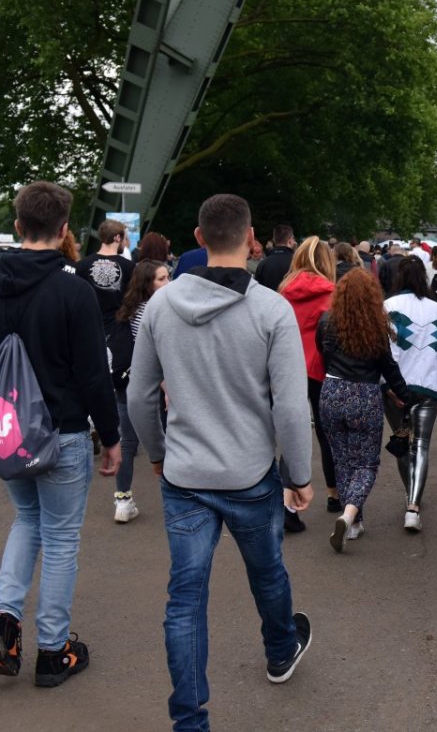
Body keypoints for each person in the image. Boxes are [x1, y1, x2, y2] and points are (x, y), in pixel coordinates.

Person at [127, 193, 313, 730]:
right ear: (251, 238)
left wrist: (159, 456)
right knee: (267, 572)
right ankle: (280, 650)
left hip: (185, 474)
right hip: (250, 473)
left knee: (184, 597)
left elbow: (140, 397)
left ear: (199, 237)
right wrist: (298, 475)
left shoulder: (159, 307)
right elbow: (290, 405)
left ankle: (189, 720)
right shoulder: (271, 310)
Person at [0, 181, 121, 688]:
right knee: (61, 537)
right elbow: (93, 374)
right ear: (64, 230)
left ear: (17, 226)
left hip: (2, 433)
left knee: (26, 520)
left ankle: (4, 623)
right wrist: (111, 436)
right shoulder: (74, 291)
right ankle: (54, 649)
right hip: (62, 432)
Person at [316, 270, 414, 552]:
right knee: (366, 463)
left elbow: (322, 354)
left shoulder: (327, 322)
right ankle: (348, 515)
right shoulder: (375, 326)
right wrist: (404, 396)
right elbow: (389, 368)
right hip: (364, 395)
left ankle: (355, 523)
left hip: (332, 391)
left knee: (343, 460)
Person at [383, 257, 437, 533]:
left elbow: (381, 350)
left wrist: (386, 384)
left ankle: (411, 491)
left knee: (402, 442)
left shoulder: (388, 308)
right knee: (421, 446)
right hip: (429, 389)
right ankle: (413, 507)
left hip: (395, 390)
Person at [279, 237, 339, 524]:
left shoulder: (284, 291)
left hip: (288, 368)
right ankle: (334, 494)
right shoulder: (331, 293)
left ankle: (286, 503)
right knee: (326, 435)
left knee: (293, 433)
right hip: (319, 369)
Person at [108, 260, 170, 523]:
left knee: (128, 442)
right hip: (155, 385)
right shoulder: (157, 311)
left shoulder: (128, 311)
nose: (168, 283)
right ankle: (173, 499)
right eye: (162, 279)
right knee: (169, 443)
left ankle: (123, 499)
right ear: (148, 284)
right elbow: (161, 353)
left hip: (128, 384)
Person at [76, 219, 133, 335]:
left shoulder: (82, 265)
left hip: (89, 330)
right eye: (124, 238)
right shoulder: (130, 267)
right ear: (117, 238)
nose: (126, 242)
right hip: (118, 332)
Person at [254, 223, 296, 292]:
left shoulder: (262, 264)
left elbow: (258, 292)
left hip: (268, 302)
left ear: (274, 240)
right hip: (291, 302)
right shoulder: (297, 262)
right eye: (293, 239)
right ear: (290, 241)